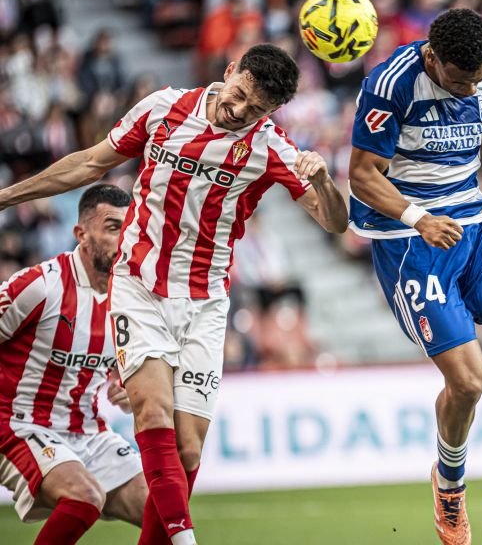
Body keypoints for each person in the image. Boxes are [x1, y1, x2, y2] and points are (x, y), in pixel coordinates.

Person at [0, 43, 349, 545]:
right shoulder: (164, 107)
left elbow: (334, 223)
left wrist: (324, 182)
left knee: (187, 454)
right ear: (230, 71)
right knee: (153, 411)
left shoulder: (271, 147)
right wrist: (8, 196)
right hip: (139, 285)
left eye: (257, 110)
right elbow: (88, 164)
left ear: (272, 112)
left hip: (205, 301)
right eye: (240, 95)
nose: (241, 111)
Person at [348, 8, 482, 545]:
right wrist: (418, 217)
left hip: (473, 227)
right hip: (410, 240)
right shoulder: (391, 84)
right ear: (432, 57)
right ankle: (450, 486)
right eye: (458, 81)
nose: (468, 90)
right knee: (469, 379)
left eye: (475, 79)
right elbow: (362, 176)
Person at [0, 184, 147, 544]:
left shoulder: (133, 299)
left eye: (129, 230)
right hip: (18, 424)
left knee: (163, 508)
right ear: (81, 234)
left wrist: (125, 388)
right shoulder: (39, 286)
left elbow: (122, 375)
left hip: (88, 430)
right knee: (85, 497)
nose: (124, 240)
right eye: (112, 228)